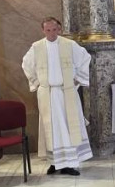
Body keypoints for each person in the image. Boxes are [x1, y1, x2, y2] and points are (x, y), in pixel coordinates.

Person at [22, 17, 93, 176]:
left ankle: (70, 164)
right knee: (51, 129)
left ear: (59, 29)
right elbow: (26, 64)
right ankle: (54, 162)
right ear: (43, 30)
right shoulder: (37, 47)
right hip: (47, 94)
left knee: (68, 127)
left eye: (54, 30)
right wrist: (37, 82)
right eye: (48, 30)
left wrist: (77, 79)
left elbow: (85, 58)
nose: (52, 33)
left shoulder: (69, 45)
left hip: (66, 92)